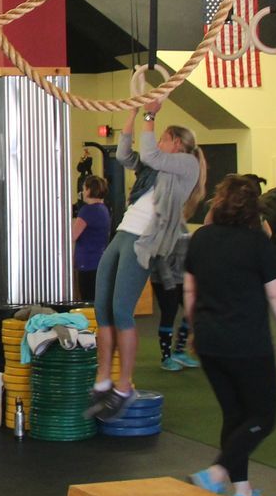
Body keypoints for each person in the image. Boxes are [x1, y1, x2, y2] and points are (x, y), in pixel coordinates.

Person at [183, 175, 276, 496]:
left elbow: (190, 290)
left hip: (209, 341)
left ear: (218, 203)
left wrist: (194, 328)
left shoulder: (200, 238)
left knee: (235, 416)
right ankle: (218, 471)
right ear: (253, 211)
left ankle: (242, 494)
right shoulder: (256, 242)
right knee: (263, 417)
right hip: (247, 344)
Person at [87, 96, 206, 422]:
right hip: (124, 233)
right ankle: (103, 379)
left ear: (177, 143)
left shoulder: (186, 165)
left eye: (164, 136)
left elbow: (150, 152)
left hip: (144, 241)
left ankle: (124, 385)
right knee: (103, 309)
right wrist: (133, 113)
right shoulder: (155, 167)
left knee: (122, 311)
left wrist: (151, 115)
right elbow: (125, 155)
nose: (158, 141)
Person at [152, 229, 196, 372]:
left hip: (181, 277)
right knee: (169, 313)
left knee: (192, 309)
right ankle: (166, 358)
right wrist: (168, 281)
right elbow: (159, 257)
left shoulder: (183, 225)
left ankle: (179, 351)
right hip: (163, 278)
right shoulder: (165, 225)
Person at [72, 174, 114, 306]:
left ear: (89, 190)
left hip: (87, 262)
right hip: (99, 260)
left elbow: (73, 236)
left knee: (87, 300)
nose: (83, 192)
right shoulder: (104, 209)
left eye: (84, 189)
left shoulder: (87, 211)